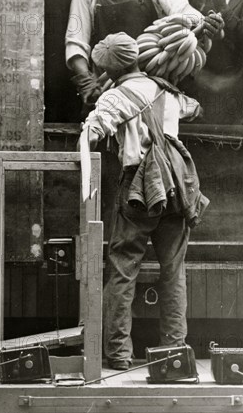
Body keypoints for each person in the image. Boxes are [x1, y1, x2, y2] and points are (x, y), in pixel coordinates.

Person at [83, 32, 209, 370]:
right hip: (175, 189)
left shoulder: (115, 97)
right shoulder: (167, 90)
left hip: (138, 190)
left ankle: (119, 354)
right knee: (173, 271)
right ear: (138, 57)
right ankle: (173, 352)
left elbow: (91, 133)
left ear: (108, 69)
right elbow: (194, 108)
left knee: (123, 270)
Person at [66, 0, 224, 110]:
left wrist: (205, 23)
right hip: (109, 84)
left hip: (154, 77)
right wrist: (86, 80)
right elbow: (76, 42)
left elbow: (181, 10)